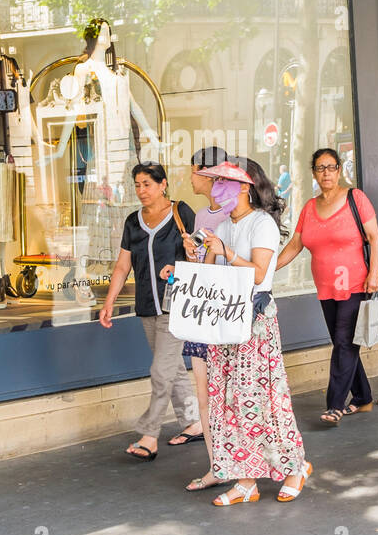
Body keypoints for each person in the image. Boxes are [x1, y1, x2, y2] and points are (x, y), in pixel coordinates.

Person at [186, 159, 311, 505]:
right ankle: (245, 481)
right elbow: (209, 274)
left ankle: (295, 467)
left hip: (254, 321)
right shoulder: (223, 225)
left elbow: (258, 274)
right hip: (224, 321)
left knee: (267, 398)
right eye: (215, 182)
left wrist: (225, 251)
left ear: (245, 186)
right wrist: (197, 255)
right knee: (229, 400)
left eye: (223, 182)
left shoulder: (263, 224)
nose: (216, 188)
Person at [100, 162, 201, 461]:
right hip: (147, 306)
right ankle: (193, 422)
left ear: (163, 184)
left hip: (177, 305)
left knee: (160, 371)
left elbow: (202, 255)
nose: (141, 191)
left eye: (147, 184)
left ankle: (149, 434)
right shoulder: (133, 221)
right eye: (138, 185)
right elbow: (122, 266)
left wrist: (179, 268)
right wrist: (109, 302)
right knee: (171, 369)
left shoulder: (182, 213)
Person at [276, 148, 378, 425]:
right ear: (313, 173)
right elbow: (296, 245)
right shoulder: (310, 207)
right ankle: (363, 398)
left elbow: (375, 238)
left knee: (345, 342)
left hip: (355, 284)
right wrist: (266, 268)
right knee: (344, 342)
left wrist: (375, 273)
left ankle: (335, 404)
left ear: (339, 170)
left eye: (331, 167)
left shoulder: (355, 198)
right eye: (320, 168)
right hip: (326, 288)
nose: (326, 173)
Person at [179, 147, 236, 487]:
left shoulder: (238, 215)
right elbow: (202, 266)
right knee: (203, 393)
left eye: (194, 170)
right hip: (202, 313)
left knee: (235, 392)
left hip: (229, 315)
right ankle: (217, 466)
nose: (190, 177)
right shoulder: (201, 217)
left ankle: (247, 462)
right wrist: (188, 258)